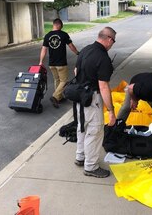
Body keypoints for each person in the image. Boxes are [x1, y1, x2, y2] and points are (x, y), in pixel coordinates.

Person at [74, 27, 117, 178]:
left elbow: (75, 71)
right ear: (109, 39)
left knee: (82, 127)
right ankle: (91, 167)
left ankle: (80, 157)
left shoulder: (85, 50)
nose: (112, 45)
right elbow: (103, 86)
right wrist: (111, 111)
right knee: (95, 131)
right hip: (92, 98)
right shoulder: (102, 57)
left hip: (80, 96)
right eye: (113, 42)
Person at [39, 18, 79, 108]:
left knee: (57, 80)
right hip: (61, 63)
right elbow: (71, 45)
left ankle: (59, 98)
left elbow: (44, 49)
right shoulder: (63, 34)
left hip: (51, 64)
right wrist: (77, 53)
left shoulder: (47, 36)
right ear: (59, 25)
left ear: (53, 25)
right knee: (64, 81)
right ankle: (55, 96)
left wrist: (41, 62)